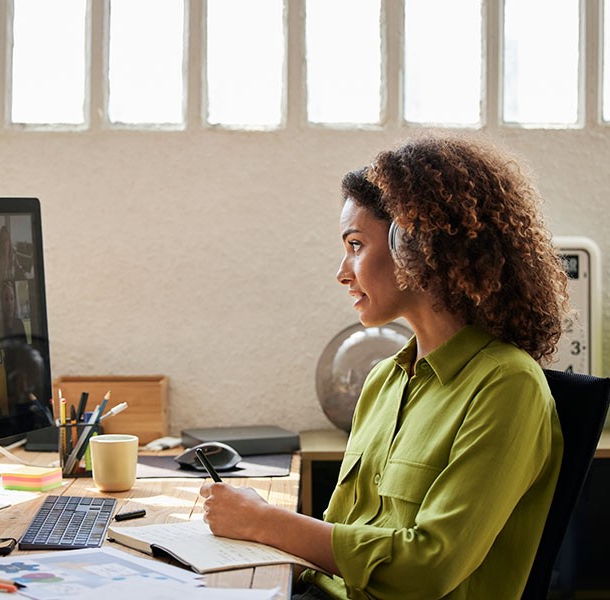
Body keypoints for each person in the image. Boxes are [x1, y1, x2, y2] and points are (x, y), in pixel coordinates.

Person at [200, 134, 569, 600]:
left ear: (415, 244)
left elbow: (429, 568)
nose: (342, 270)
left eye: (356, 244)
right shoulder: (382, 381)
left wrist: (264, 521)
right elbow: (337, 538)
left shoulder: (507, 385)